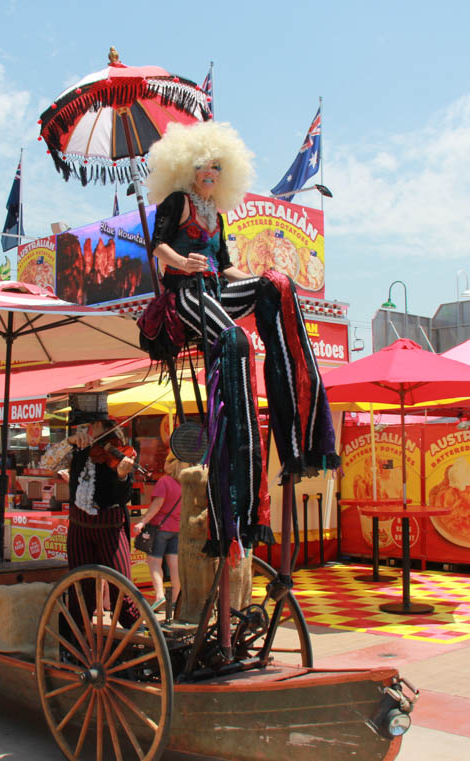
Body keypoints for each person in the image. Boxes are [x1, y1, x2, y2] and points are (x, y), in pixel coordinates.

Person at [138, 121, 339, 556]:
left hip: (214, 290)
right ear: (188, 169)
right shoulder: (177, 202)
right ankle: (239, 492)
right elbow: (157, 247)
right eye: (202, 166)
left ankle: (299, 438)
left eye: (216, 167)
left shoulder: (219, 214)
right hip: (184, 296)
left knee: (276, 286)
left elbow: (225, 266)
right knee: (235, 342)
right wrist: (182, 263)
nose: (209, 173)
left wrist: (256, 282)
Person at [40, 393, 140, 628]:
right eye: (80, 426)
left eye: (87, 425)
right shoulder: (78, 450)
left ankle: (134, 631)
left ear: (101, 425)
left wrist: (122, 477)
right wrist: (69, 441)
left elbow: (122, 498)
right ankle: (73, 638)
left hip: (109, 527)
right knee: (79, 589)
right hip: (79, 527)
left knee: (122, 587)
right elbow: (46, 463)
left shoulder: (120, 452)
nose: (84, 430)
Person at [135, 451, 184, 612]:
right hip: (177, 529)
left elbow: (157, 506)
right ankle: (177, 600)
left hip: (160, 528)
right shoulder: (184, 484)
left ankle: (159, 595)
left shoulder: (165, 482)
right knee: (175, 566)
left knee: (154, 563)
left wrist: (142, 521)